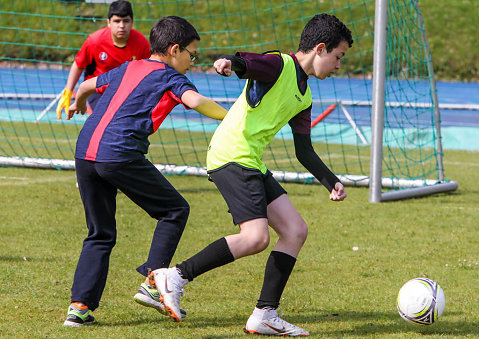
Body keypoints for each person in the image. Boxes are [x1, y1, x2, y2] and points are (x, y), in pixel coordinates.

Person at [152, 13, 353, 336]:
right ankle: (174, 276)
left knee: (295, 230)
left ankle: (264, 315)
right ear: (320, 49)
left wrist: (332, 182)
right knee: (256, 237)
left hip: (250, 161)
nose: (339, 65)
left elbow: (304, 151)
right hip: (231, 155)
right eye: (338, 57)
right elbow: (249, 63)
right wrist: (229, 64)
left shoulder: (305, 97)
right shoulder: (279, 65)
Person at [62, 16, 227, 327]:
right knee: (175, 209)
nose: (193, 62)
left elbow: (85, 84)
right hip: (118, 154)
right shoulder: (169, 76)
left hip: (85, 153)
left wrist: (77, 103)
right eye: (192, 54)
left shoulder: (130, 66)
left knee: (99, 233)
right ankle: (154, 282)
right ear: (175, 50)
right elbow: (195, 100)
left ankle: (79, 308)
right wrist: (232, 119)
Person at [56, 0, 150, 119]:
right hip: (97, 91)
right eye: (117, 21)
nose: (121, 25)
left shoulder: (141, 43)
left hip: (126, 91)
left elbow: (149, 70)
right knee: (109, 119)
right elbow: (78, 65)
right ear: (108, 23)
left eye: (126, 21)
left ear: (132, 22)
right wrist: (68, 92)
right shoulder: (95, 41)